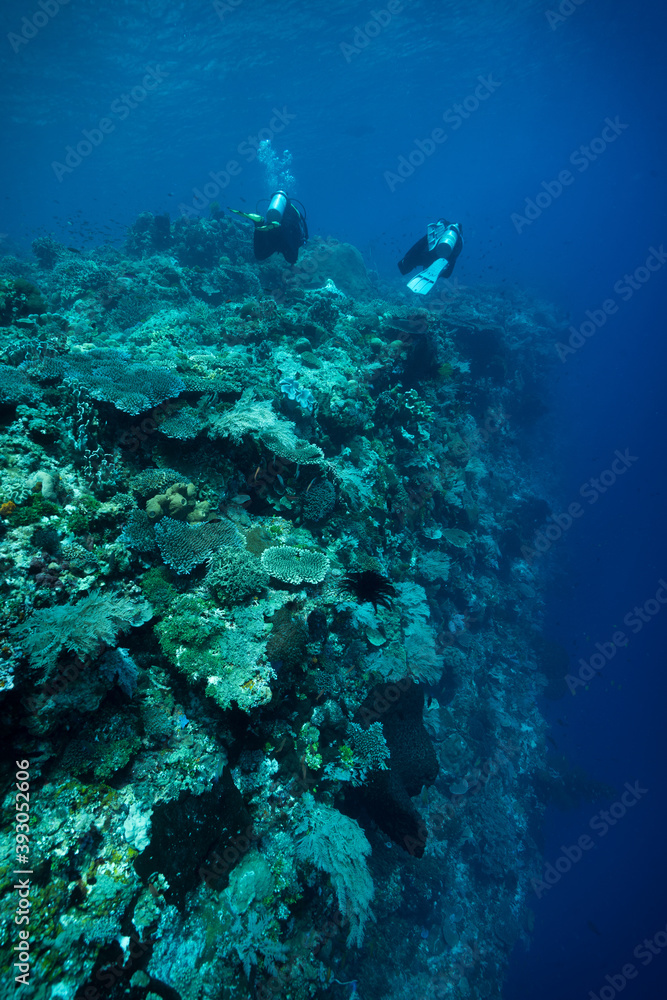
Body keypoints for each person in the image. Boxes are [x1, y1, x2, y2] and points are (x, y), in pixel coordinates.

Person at [230, 191, 308, 264]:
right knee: (292, 260)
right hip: (286, 236)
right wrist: (303, 240)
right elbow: (302, 229)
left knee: (259, 255)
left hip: (272, 230)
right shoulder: (294, 210)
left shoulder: (275, 206)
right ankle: (268, 226)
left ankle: (258, 223)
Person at [398, 219, 463, 294]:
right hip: (445, 259)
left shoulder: (439, 232)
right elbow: (454, 258)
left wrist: (407, 257)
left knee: (407, 263)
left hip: (429, 255)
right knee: (446, 274)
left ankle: (408, 263)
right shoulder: (459, 240)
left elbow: (418, 246)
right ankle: (441, 265)